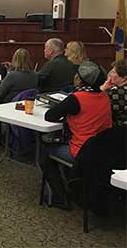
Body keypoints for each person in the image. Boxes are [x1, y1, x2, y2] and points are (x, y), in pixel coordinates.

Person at [42, 61, 112, 208]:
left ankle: (60, 197)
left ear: (79, 79)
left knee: (43, 151)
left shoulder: (77, 98)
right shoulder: (104, 96)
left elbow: (50, 116)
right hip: (104, 151)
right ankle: (74, 185)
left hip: (81, 151)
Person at [100, 59, 127, 126]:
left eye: (113, 72)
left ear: (124, 78)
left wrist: (103, 88)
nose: (110, 74)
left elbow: (94, 103)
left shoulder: (116, 92)